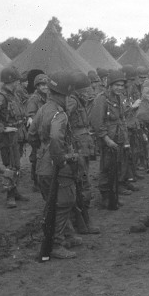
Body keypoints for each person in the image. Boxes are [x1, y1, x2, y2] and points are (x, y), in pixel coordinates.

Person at [28, 71, 82, 259]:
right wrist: (62, 159)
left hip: (43, 163)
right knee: (64, 201)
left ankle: (66, 234)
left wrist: (42, 150)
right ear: (65, 94)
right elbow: (56, 138)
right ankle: (57, 243)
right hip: (56, 165)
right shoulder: (60, 113)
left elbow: (31, 134)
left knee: (55, 202)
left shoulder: (43, 109)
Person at [0, 67, 29, 208]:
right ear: (12, 81)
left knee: (16, 165)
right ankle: (10, 196)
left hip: (16, 134)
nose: (18, 83)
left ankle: (14, 191)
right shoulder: (1, 96)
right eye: (17, 80)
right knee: (10, 166)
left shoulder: (13, 95)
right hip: (7, 137)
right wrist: (2, 128)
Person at [90, 69, 130, 210]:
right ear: (110, 85)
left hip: (118, 137)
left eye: (121, 85)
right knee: (106, 168)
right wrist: (106, 139)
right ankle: (106, 197)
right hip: (108, 139)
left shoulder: (118, 97)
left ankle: (114, 196)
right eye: (116, 85)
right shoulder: (102, 99)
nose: (119, 88)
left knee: (116, 168)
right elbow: (96, 122)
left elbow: (121, 118)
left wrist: (124, 138)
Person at [66, 71, 100, 234]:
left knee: (83, 180)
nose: (88, 91)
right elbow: (63, 118)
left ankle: (83, 219)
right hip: (77, 144)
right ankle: (81, 219)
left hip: (83, 143)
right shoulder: (72, 101)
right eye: (85, 89)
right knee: (81, 181)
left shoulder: (79, 100)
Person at [26, 73, 50, 192]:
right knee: (36, 155)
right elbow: (31, 116)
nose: (45, 87)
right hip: (37, 131)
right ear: (37, 86)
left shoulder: (48, 97)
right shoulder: (34, 99)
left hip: (46, 129)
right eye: (42, 85)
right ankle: (35, 181)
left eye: (46, 84)